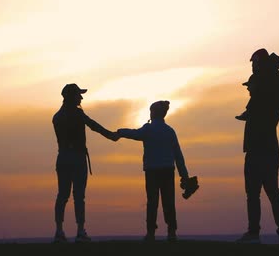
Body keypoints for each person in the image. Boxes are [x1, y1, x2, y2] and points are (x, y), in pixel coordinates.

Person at [235, 48, 279, 244]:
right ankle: (263, 233)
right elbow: (256, 103)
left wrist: (248, 112)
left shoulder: (266, 98)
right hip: (263, 149)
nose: (249, 89)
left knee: (266, 193)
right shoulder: (265, 99)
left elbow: (259, 102)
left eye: (254, 63)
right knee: (259, 193)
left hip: (262, 150)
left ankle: (269, 233)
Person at [116, 100, 192, 242]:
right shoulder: (170, 131)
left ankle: (151, 233)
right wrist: (184, 175)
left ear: (153, 113)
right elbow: (178, 155)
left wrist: (120, 132)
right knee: (169, 202)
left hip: (152, 171)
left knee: (152, 202)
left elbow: (135, 134)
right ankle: (171, 232)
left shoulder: (148, 129)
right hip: (168, 171)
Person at [52, 83, 119, 243]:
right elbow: (93, 125)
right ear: (71, 97)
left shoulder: (56, 117)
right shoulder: (77, 114)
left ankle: (59, 231)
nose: (81, 98)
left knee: (62, 195)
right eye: (78, 95)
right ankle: (80, 231)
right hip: (76, 157)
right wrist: (110, 135)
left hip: (63, 158)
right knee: (78, 196)